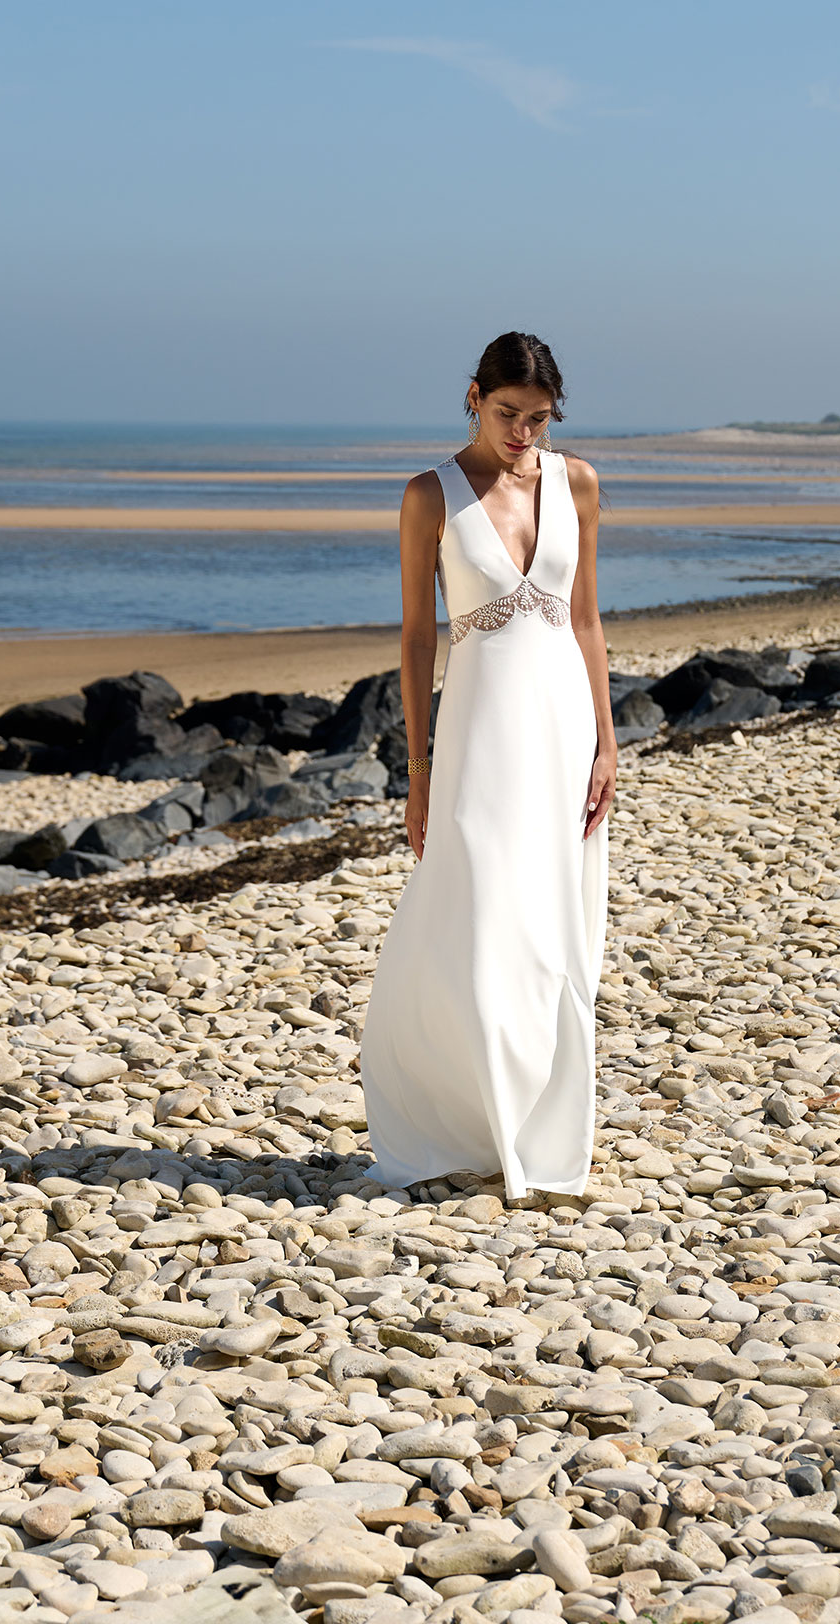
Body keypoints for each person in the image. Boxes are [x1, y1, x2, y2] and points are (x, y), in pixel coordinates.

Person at [360, 331, 615, 1201]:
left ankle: (542, 1145)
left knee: (554, 933)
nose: (523, 434)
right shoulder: (428, 494)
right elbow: (416, 635)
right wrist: (419, 767)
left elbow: (585, 622)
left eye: (539, 419)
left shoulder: (574, 481)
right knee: (476, 923)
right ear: (474, 396)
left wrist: (608, 742)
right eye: (508, 414)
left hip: (562, 730)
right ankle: (458, 1117)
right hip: (476, 734)